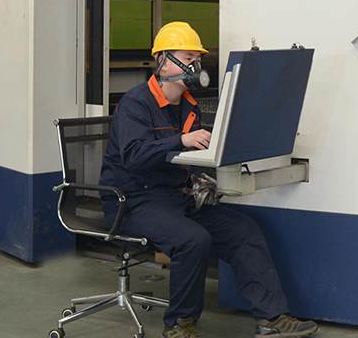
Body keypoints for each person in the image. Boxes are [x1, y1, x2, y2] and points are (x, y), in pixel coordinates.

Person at [100, 21, 318, 338]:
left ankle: (271, 318)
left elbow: (191, 156)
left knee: (243, 229)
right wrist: (181, 140)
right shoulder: (136, 103)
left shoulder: (189, 105)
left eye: (197, 59)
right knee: (192, 239)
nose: (195, 67)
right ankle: (180, 325)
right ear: (162, 61)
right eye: (187, 58)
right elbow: (134, 156)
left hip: (177, 197)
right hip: (133, 201)